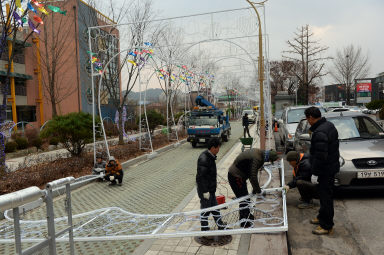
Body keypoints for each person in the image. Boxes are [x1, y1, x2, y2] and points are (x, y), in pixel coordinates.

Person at [305, 106, 339, 235]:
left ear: (311, 118)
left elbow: (320, 156)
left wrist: (314, 172)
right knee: (324, 195)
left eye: (308, 119)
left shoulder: (320, 132)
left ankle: (326, 225)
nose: (308, 122)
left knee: (326, 198)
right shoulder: (329, 125)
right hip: (331, 167)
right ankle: (321, 217)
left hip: (325, 170)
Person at [228, 149, 278, 228]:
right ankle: (244, 222)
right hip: (235, 176)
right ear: (268, 158)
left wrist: (255, 189)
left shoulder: (260, 153)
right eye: (269, 160)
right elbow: (253, 176)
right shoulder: (258, 158)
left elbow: (253, 172)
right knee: (243, 199)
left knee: (245, 198)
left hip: (239, 176)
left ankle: (247, 215)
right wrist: (258, 191)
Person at [196, 138, 226, 235]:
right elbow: (200, 178)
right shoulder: (204, 159)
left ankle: (220, 225)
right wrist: (205, 192)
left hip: (210, 189)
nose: (218, 150)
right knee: (205, 211)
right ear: (213, 148)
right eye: (218, 148)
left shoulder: (210, 156)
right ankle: (204, 230)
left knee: (215, 208)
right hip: (206, 191)